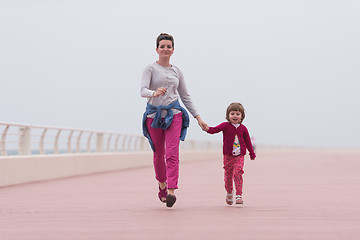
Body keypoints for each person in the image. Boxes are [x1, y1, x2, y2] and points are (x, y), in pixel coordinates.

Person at [141, 33, 208, 208]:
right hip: (153, 116)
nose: (165, 49)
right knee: (158, 154)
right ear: (157, 49)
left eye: (168, 46)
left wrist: (198, 117)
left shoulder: (177, 71)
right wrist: (153, 93)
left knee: (172, 153)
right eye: (162, 46)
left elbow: (185, 96)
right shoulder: (150, 69)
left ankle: (171, 190)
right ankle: (162, 184)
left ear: (173, 50)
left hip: (174, 114)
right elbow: (142, 90)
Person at [204, 102, 256, 205]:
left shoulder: (243, 128)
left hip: (239, 156)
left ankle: (239, 195)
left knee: (238, 172)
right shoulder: (225, 126)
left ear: (242, 116)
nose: (235, 116)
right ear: (228, 115)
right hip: (228, 156)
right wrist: (207, 128)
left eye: (237, 114)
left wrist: (251, 153)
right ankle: (229, 192)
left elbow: (248, 141)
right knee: (228, 176)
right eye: (232, 114)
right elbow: (215, 130)